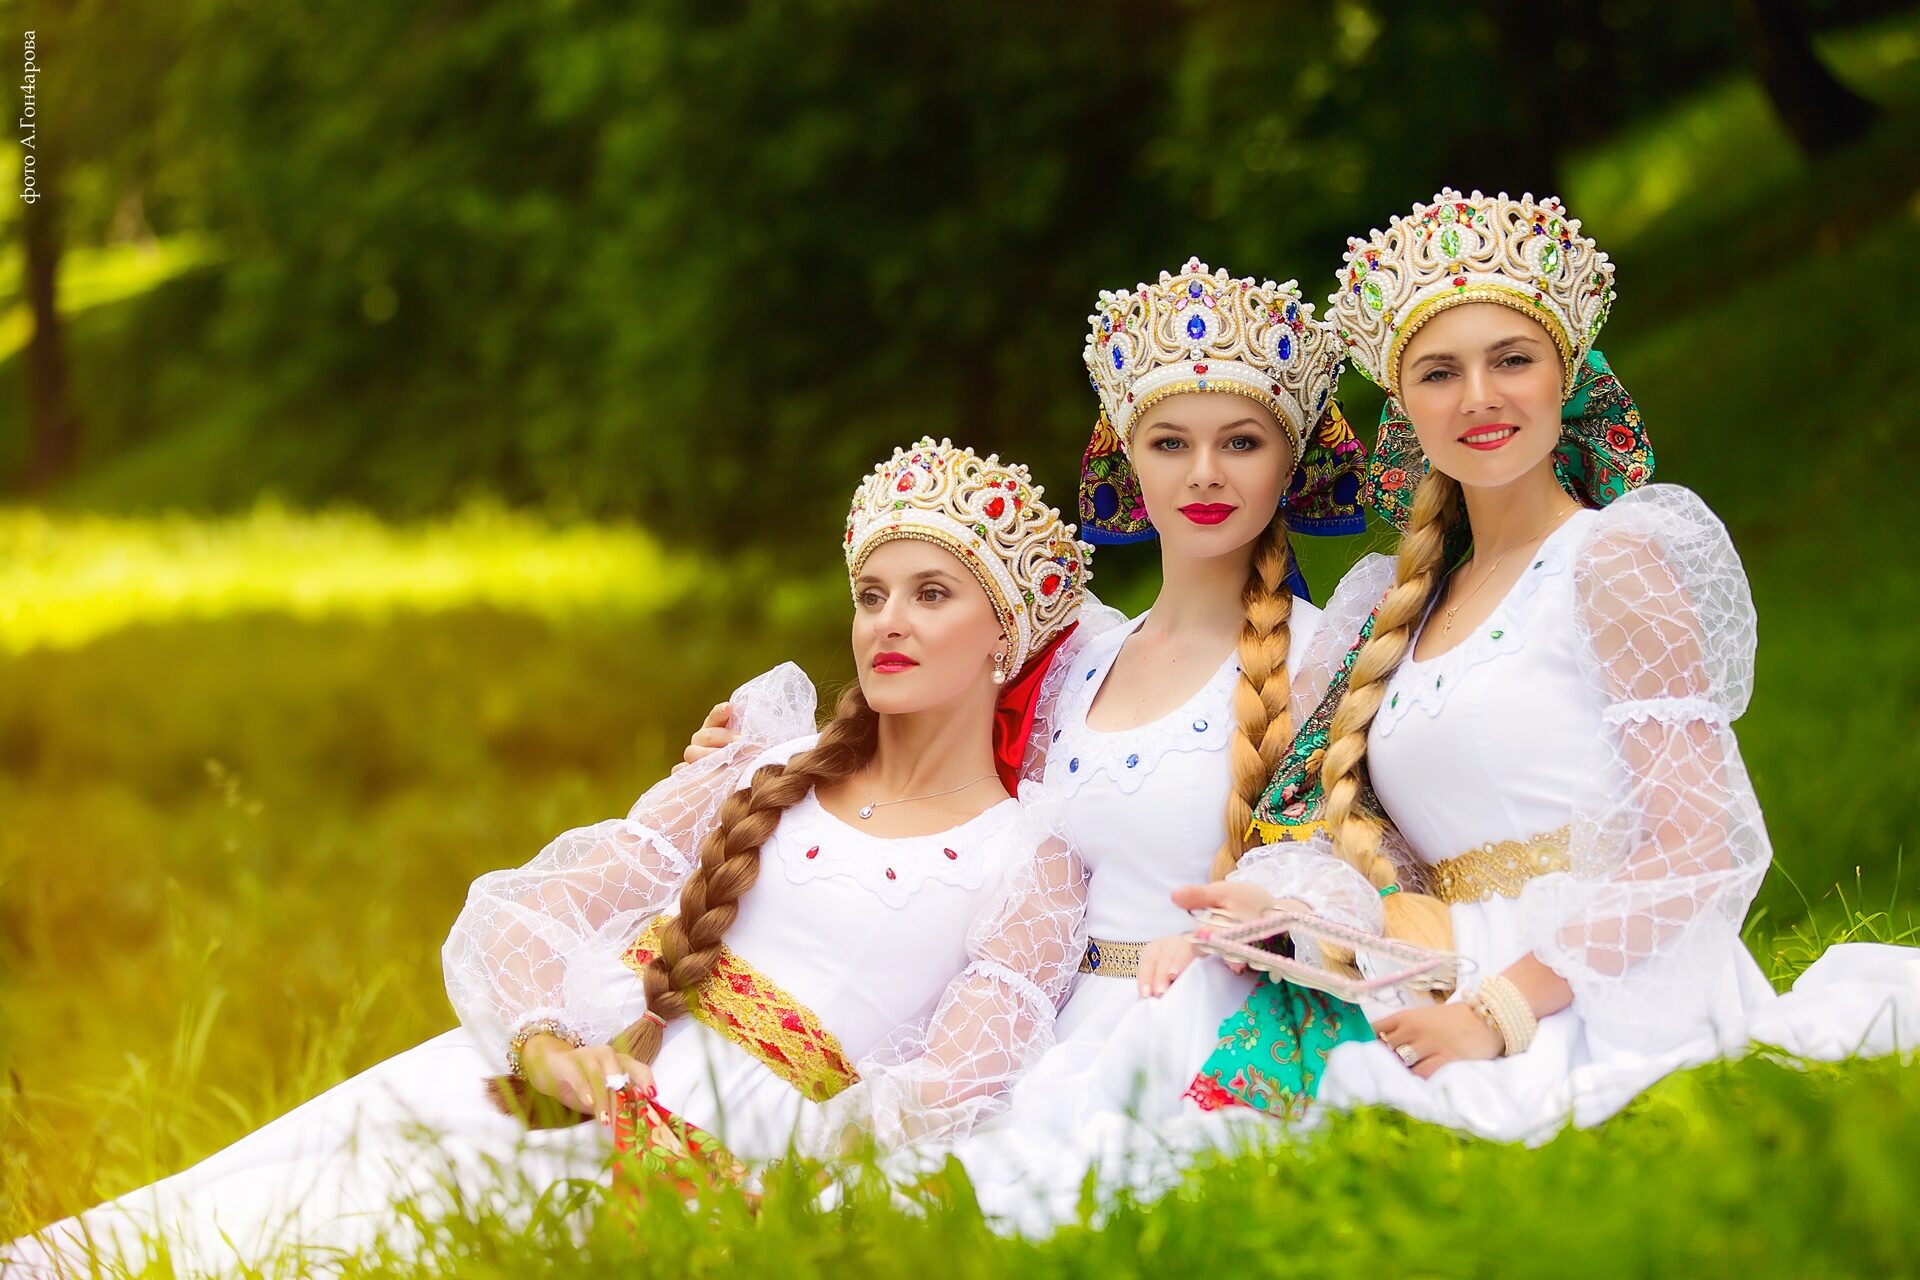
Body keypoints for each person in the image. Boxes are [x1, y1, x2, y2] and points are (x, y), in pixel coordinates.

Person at [4, 438, 1092, 1276]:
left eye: (932, 594)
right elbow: (531, 909)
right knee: (260, 1213)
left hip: (731, 1152)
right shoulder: (768, 759)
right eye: (871, 593)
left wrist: (762, 1174)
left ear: (1004, 636)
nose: (886, 621)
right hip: (578, 1071)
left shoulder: (1024, 855)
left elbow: (952, 1086)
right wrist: (552, 1049)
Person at [1169, 188, 1920, 1144]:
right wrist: (1286, 902)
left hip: (1611, 979)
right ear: (1404, 406)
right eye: (1440, 373)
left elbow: (1700, 844)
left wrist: (1501, 1011)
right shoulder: (1392, 611)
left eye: (1511, 360)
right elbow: (1395, 859)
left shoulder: (1612, 562)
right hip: (1451, 964)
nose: (1479, 397)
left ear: (1566, 377)